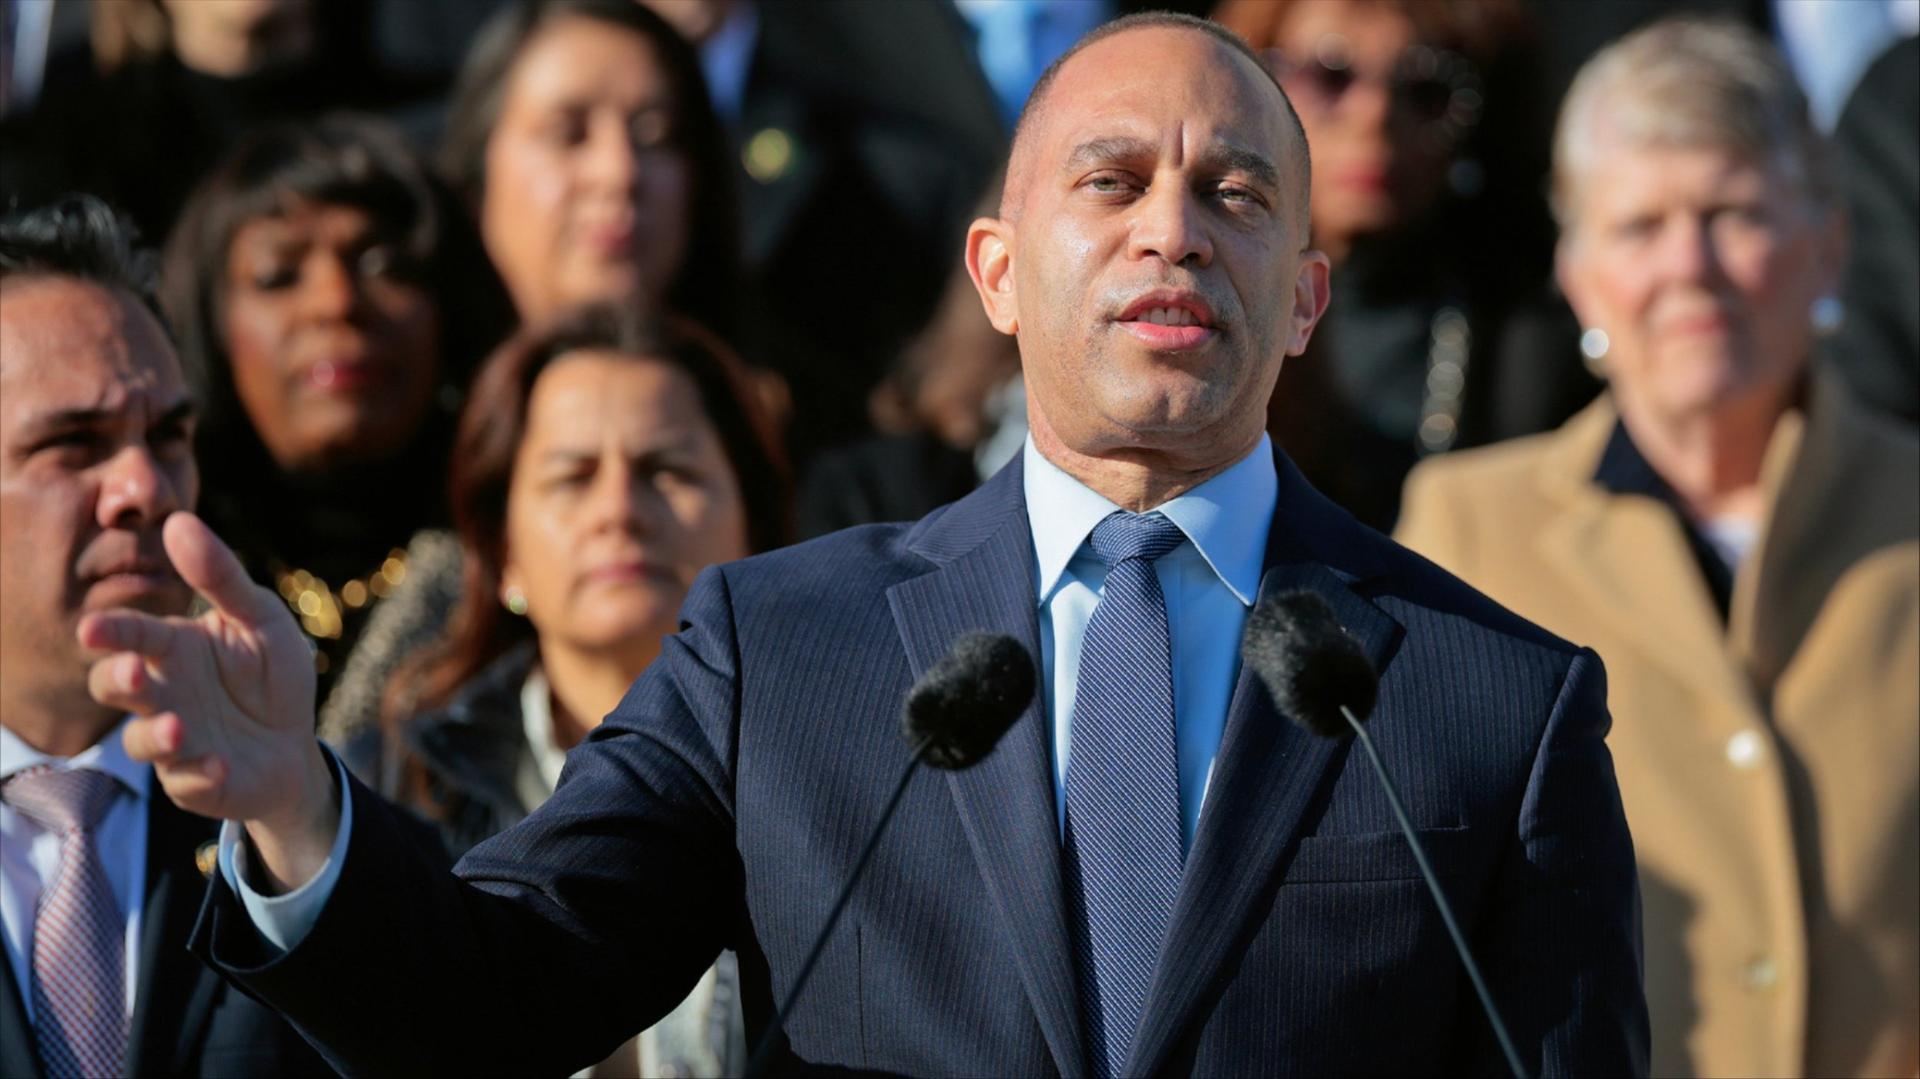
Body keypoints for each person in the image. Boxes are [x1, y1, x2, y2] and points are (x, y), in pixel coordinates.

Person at [87, 14, 1647, 1075]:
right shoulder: (785, 648)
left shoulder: (1488, 700)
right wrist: (298, 806)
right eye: (1110, 183)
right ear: (997, 273)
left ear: (1304, 299)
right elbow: (497, 994)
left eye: (1236, 194)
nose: (1173, 229)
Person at [1396, 18, 1919, 1077]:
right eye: (1640, 226)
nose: (1690, 266)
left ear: (1827, 242)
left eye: (1734, 215)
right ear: (1578, 274)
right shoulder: (1466, 528)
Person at [358, 306, 788, 1075]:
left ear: (751, 520)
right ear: (502, 552)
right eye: (573, 476)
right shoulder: (386, 784)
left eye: (669, 470)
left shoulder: (848, 769)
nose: (619, 511)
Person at [0, 196, 328, 1077]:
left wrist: (298, 813)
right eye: (74, 444)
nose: (145, 485)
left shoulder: (300, 802)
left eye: (170, 436)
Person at [159, 115, 511, 709]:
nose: (337, 303)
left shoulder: (515, 562)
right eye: (279, 276)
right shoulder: (152, 574)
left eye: (384, 266)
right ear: (211, 331)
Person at [1212, 0, 1603, 531]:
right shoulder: (1196, 301)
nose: (1374, 113)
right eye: (1329, 77)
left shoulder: (1533, 341)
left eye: (1427, 90)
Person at [437, 0, 739, 337]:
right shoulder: (410, 381)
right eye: (568, 134)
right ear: (478, 171)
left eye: (655, 136)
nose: (619, 172)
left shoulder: (782, 385)